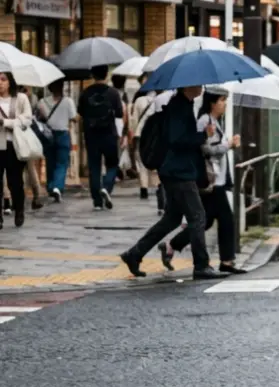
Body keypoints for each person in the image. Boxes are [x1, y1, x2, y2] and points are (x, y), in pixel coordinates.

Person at [119, 85, 226, 280]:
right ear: (187, 86)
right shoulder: (179, 107)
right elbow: (177, 140)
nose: (201, 87)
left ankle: (134, 254)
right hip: (178, 171)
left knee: (172, 218)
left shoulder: (183, 105)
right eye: (197, 84)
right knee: (197, 216)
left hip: (175, 170)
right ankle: (201, 265)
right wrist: (203, 135)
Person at [158, 90, 246, 275]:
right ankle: (226, 261)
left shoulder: (214, 121)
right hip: (210, 180)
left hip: (216, 179)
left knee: (204, 221)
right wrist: (228, 145)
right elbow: (205, 149)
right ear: (212, 103)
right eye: (222, 100)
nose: (224, 104)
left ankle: (172, 245)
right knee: (225, 219)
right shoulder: (204, 121)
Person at [79, 65, 125, 210]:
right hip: (109, 133)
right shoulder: (113, 93)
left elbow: (80, 112)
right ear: (106, 75)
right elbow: (119, 113)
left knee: (94, 167)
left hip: (91, 135)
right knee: (112, 164)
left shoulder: (85, 93)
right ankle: (106, 187)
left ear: (93, 75)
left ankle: (97, 201)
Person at [0, 73, 34, 229]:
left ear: (10, 82)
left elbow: (27, 119)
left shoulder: (21, 98)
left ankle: (19, 209)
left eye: (3, 79)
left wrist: (6, 122)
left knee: (15, 182)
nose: (0, 83)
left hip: (15, 145)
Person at [128, 83, 165, 213]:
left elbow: (134, 120)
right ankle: (158, 185)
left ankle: (143, 187)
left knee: (141, 160)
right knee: (156, 160)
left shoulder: (139, 100)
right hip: (155, 136)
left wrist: (133, 133)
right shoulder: (162, 100)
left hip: (140, 134)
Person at [38, 79, 75, 203]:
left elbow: (39, 118)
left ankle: (50, 187)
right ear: (62, 87)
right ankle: (57, 187)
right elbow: (73, 117)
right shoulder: (68, 101)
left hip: (47, 135)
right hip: (63, 134)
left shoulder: (42, 102)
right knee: (62, 163)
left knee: (50, 162)